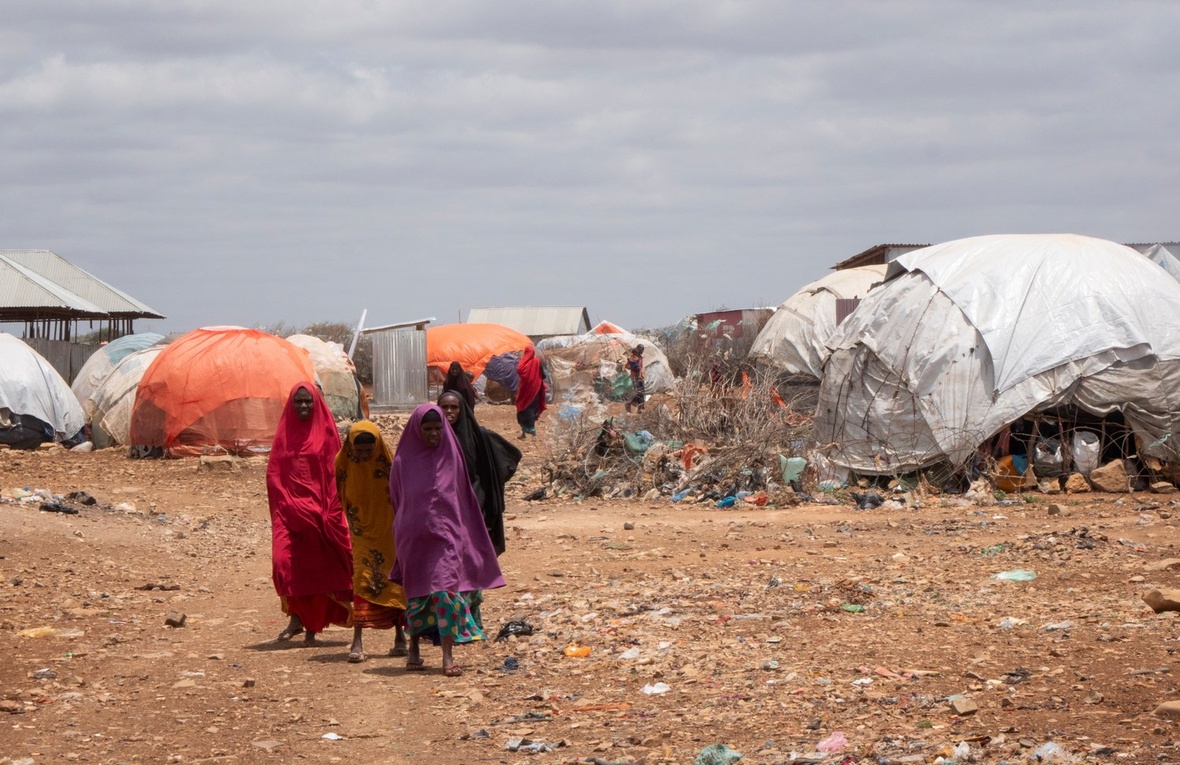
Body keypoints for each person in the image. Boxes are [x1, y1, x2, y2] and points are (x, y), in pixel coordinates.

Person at [389, 404, 505, 676]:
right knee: (417, 594)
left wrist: (465, 534)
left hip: (447, 535)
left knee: (445, 592)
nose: (433, 434)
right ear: (417, 430)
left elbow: (463, 497)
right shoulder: (402, 462)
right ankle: (415, 648)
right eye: (427, 429)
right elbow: (396, 499)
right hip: (414, 537)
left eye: (437, 428)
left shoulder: (452, 457)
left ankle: (447, 656)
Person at [267, 383, 353, 645]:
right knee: (284, 564)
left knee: (316, 568)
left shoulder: (326, 433)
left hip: (320, 512)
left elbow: (335, 473)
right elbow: (274, 474)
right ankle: (295, 615)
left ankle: (310, 625)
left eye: (307, 402)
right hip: (289, 514)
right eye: (298, 402)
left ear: (316, 403)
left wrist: (328, 510)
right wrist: (286, 504)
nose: (303, 406)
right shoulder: (284, 434)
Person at [336, 421, 407, 663]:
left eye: (369, 451)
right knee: (362, 578)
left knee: (393, 579)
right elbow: (339, 492)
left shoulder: (390, 465)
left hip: (389, 532)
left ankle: (400, 635)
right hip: (361, 531)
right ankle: (358, 639)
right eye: (360, 451)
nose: (365, 455)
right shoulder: (342, 463)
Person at [437, 390, 521, 555]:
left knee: (472, 543)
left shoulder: (478, 435)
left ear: (462, 409)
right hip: (445, 499)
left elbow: (511, 455)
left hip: (473, 498)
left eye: (454, 407)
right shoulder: (433, 435)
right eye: (444, 407)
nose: (449, 411)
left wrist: (491, 482)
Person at [515, 346, 547, 439]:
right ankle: (532, 434)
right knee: (532, 410)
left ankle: (524, 434)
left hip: (524, 392)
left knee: (522, 409)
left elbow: (519, 370)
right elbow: (543, 375)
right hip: (535, 390)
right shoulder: (537, 362)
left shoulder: (523, 363)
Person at [625, 344, 646, 414]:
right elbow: (627, 366)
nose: (642, 351)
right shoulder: (635, 358)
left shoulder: (640, 357)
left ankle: (640, 407)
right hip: (635, 377)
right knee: (639, 392)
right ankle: (631, 404)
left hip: (639, 376)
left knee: (641, 392)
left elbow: (641, 367)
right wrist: (633, 368)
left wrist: (641, 374)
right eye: (642, 350)